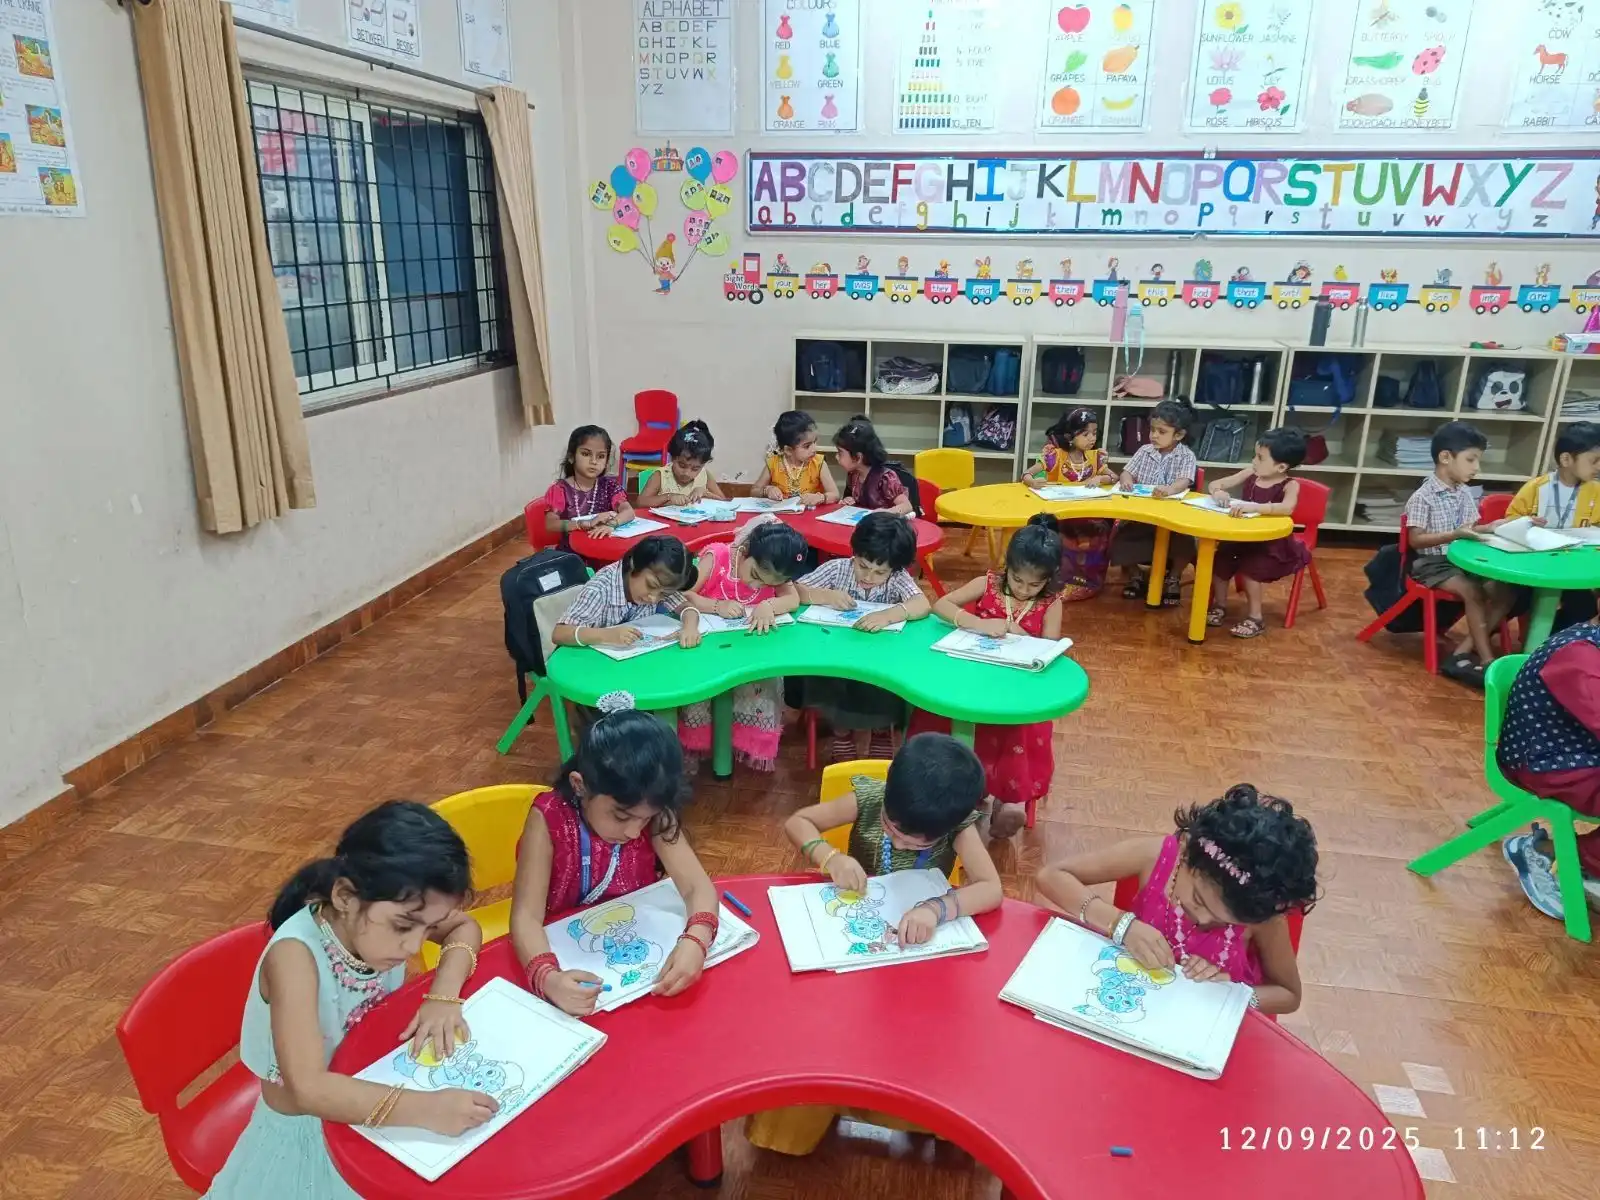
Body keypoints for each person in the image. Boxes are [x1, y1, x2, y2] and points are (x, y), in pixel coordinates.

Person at [205, 802, 492, 1198]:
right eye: (404, 926)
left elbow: (464, 927)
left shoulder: (390, 911)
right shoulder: (295, 959)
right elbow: (308, 1090)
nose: (414, 946)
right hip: (311, 1136)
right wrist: (428, 1109)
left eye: (426, 928)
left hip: (374, 1092)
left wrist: (443, 994)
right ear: (344, 896)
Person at [753, 734, 1002, 1155]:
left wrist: (936, 910)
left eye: (917, 842)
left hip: (914, 958)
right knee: (822, 1029)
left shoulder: (956, 825)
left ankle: (929, 1114)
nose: (901, 843)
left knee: (928, 1037)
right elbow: (798, 822)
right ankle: (806, 1112)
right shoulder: (869, 798)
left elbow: (992, 889)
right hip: (849, 946)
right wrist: (830, 858)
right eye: (893, 830)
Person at [510, 695, 719, 1017]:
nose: (635, 832)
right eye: (621, 817)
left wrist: (696, 939)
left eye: (645, 819)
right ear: (580, 786)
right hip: (569, 956)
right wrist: (547, 977)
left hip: (635, 964)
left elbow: (697, 888)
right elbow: (526, 917)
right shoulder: (549, 818)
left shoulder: (653, 812)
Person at [1035, 784, 1319, 1016]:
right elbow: (1052, 876)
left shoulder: (1261, 918)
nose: (1204, 919)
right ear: (1187, 854)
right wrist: (1122, 925)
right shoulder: (1155, 856)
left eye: (1223, 921)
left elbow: (1289, 995)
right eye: (1198, 899)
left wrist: (1233, 994)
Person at [909, 514, 1065, 840]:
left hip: (1015, 690)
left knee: (1018, 731)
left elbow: (1048, 649)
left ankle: (1010, 801)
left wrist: (1018, 631)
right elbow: (941, 606)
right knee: (946, 717)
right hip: (972, 680)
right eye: (1018, 580)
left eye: (1034, 584)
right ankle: (964, 792)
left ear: (1048, 580)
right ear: (1007, 567)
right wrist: (977, 624)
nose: (1023, 590)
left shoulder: (1050, 603)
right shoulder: (988, 584)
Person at [793, 512, 932, 762]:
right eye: (863, 566)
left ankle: (880, 731)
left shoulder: (897, 578)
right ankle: (842, 732)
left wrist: (890, 614)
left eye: (880, 573)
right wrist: (825, 596)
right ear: (854, 554)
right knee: (825, 674)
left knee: (883, 680)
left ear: (894, 568)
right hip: (837, 652)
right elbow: (794, 590)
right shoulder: (838, 570)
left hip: (877, 658)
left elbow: (922, 604)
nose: (869, 577)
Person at [679, 515, 809, 772]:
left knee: (760, 680)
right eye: (755, 575)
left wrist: (767, 603)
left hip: (748, 649)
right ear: (746, 550)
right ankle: (698, 747)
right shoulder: (717, 556)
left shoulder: (778, 568)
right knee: (703, 691)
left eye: (767, 584)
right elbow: (684, 593)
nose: (756, 584)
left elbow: (792, 600)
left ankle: (742, 744)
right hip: (707, 645)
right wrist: (717, 605)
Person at [1498, 609, 1600, 921]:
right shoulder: (1577, 655)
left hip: (1577, 751)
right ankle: (1548, 852)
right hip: (1548, 763)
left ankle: (1585, 864)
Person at [1403, 420, 1518, 687]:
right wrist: (1454, 535)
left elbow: (1469, 528)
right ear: (1445, 457)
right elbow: (1415, 540)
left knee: (1506, 591)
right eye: (1471, 460)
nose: (1477, 468)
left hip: (1462, 558)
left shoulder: (1464, 493)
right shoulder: (1423, 496)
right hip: (1432, 564)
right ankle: (1489, 661)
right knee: (1473, 592)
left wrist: (1490, 527)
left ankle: (1463, 649)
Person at [1205, 428, 1313, 639]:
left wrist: (1254, 507)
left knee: (1251, 570)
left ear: (1281, 466)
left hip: (1270, 543)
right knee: (1220, 562)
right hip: (1241, 537)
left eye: (1260, 457)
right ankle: (1220, 605)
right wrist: (1218, 491)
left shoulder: (1291, 485)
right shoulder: (1250, 474)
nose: (1254, 461)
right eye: (1255, 455)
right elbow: (1216, 483)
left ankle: (1255, 617)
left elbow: (1287, 508)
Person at [1506, 421, 1600, 629]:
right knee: (1514, 600)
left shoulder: (1596, 491)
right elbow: (1510, 521)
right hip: (1532, 566)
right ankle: (1476, 644)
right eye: (1594, 461)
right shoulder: (1536, 488)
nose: (1599, 467)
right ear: (1566, 459)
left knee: (1585, 609)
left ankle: (1551, 642)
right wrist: (1526, 522)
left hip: (1572, 569)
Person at [1024, 408, 1117, 601]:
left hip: (1088, 513)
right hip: (1061, 514)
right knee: (1059, 535)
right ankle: (1058, 580)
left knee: (1100, 531)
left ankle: (1089, 582)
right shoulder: (1055, 456)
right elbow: (1027, 474)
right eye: (1085, 434)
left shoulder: (1095, 457)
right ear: (1070, 436)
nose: (1092, 438)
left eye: (1094, 433)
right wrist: (1033, 481)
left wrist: (1101, 478)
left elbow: (1113, 477)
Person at [1113, 398, 1199, 606]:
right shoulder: (1144, 451)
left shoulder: (1186, 456)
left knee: (1186, 542)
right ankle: (1135, 576)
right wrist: (1125, 481)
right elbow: (1127, 472)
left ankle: (1173, 578)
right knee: (1120, 538)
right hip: (1142, 515)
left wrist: (1170, 490)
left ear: (1178, 435)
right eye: (1152, 430)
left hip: (1172, 518)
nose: (1154, 435)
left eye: (1161, 432)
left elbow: (1184, 481)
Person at [552, 536, 702, 650]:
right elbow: (559, 633)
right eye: (651, 585)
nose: (653, 598)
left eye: (663, 594)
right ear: (634, 564)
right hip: (593, 667)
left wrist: (690, 627)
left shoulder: (661, 584)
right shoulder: (600, 589)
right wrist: (606, 635)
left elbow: (686, 607)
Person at [544, 425, 633, 547]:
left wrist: (611, 524)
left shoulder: (610, 486)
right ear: (571, 457)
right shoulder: (560, 489)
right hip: (573, 551)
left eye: (601, 456)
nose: (594, 461)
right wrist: (582, 524)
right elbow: (551, 524)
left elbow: (628, 511)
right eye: (586, 454)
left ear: (606, 461)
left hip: (604, 547)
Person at [753, 410, 839, 507]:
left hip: (811, 517)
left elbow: (835, 495)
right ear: (788, 450)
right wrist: (767, 490)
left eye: (815, 442)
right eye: (807, 446)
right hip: (782, 516)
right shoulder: (774, 463)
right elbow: (754, 491)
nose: (814, 449)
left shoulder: (818, 463)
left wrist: (820, 497)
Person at [834, 417, 914, 515]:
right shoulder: (854, 474)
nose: (836, 457)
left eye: (840, 453)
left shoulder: (885, 478)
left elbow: (906, 506)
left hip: (885, 526)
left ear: (858, 457)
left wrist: (887, 512)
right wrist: (850, 500)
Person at [638, 420, 727, 507]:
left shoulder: (705, 475)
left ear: (703, 465)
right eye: (682, 465)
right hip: (666, 521)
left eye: (695, 469)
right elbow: (641, 502)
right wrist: (668, 497)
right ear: (673, 458)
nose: (687, 473)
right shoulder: (661, 476)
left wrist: (704, 493)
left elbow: (723, 502)